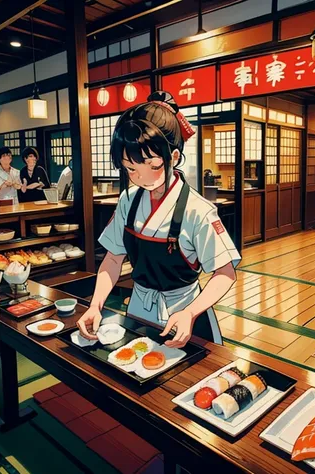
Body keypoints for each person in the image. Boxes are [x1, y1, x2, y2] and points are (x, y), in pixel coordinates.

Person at [76, 91, 241, 348]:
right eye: (131, 169)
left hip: (185, 311)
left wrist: (191, 312)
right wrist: (95, 305)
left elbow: (225, 272)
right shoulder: (128, 201)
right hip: (140, 307)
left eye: (152, 166)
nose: (142, 178)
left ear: (173, 157)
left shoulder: (198, 210)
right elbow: (112, 258)